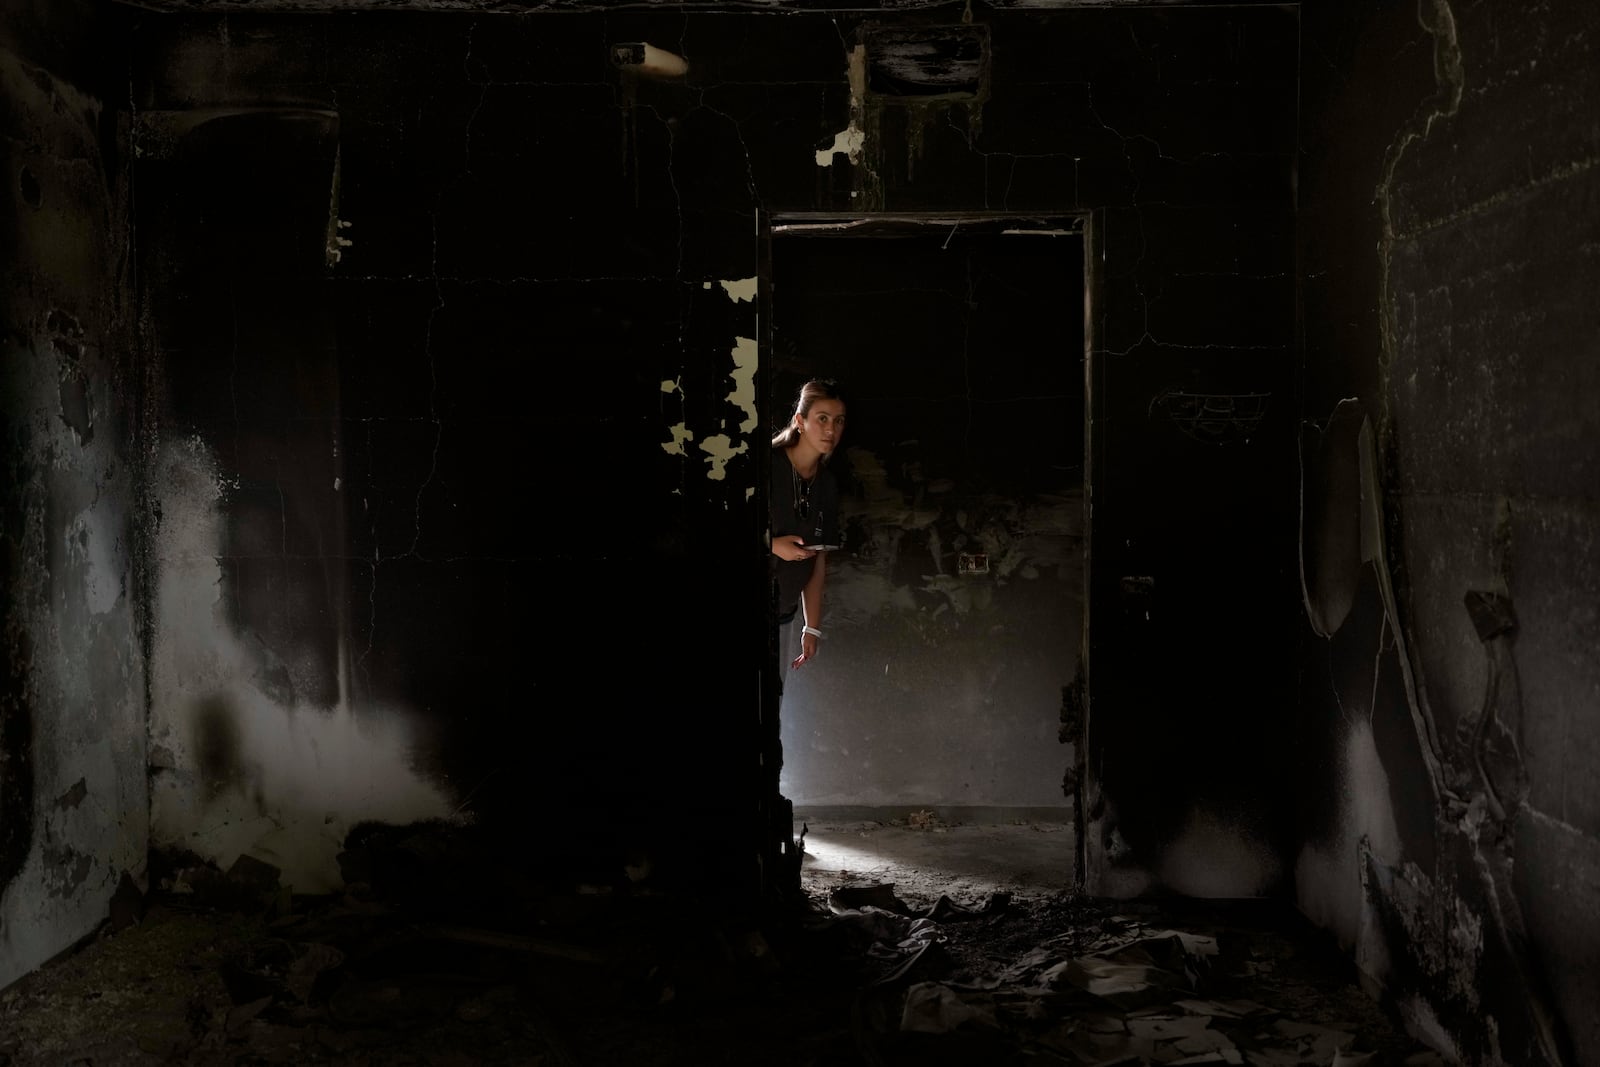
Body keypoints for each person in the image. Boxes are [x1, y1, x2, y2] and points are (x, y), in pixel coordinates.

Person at [771, 379, 846, 670]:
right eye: (822, 419)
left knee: (771, 703)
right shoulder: (765, 465)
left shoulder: (826, 484)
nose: (831, 430)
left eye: (838, 421)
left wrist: (811, 627)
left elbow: (818, 556)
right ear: (800, 421)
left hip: (783, 613)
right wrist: (774, 546)